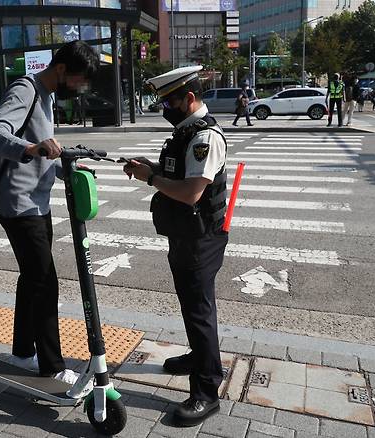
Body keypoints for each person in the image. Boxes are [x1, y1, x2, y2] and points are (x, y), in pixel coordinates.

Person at [0, 41, 99, 384]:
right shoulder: (25, 89)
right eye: (79, 80)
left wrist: (70, 171)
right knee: (46, 283)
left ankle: (22, 352)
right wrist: (32, 147)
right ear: (61, 69)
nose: (80, 88)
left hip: (37, 202)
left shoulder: (46, 97)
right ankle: (51, 366)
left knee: (32, 280)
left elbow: (45, 155)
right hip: (19, 204)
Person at [121, 66, 228, 426]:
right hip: (186, 235)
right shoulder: (186, 133)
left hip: (200, 239)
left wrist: (150, 177)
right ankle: (200, 357)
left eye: (170, 100)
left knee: (199, 309)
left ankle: (207, 391)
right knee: (191, 303)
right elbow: (177, 173)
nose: (165, 106)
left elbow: (191, 191)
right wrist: (150, 167)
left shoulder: (204, 138)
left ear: (190, 99)